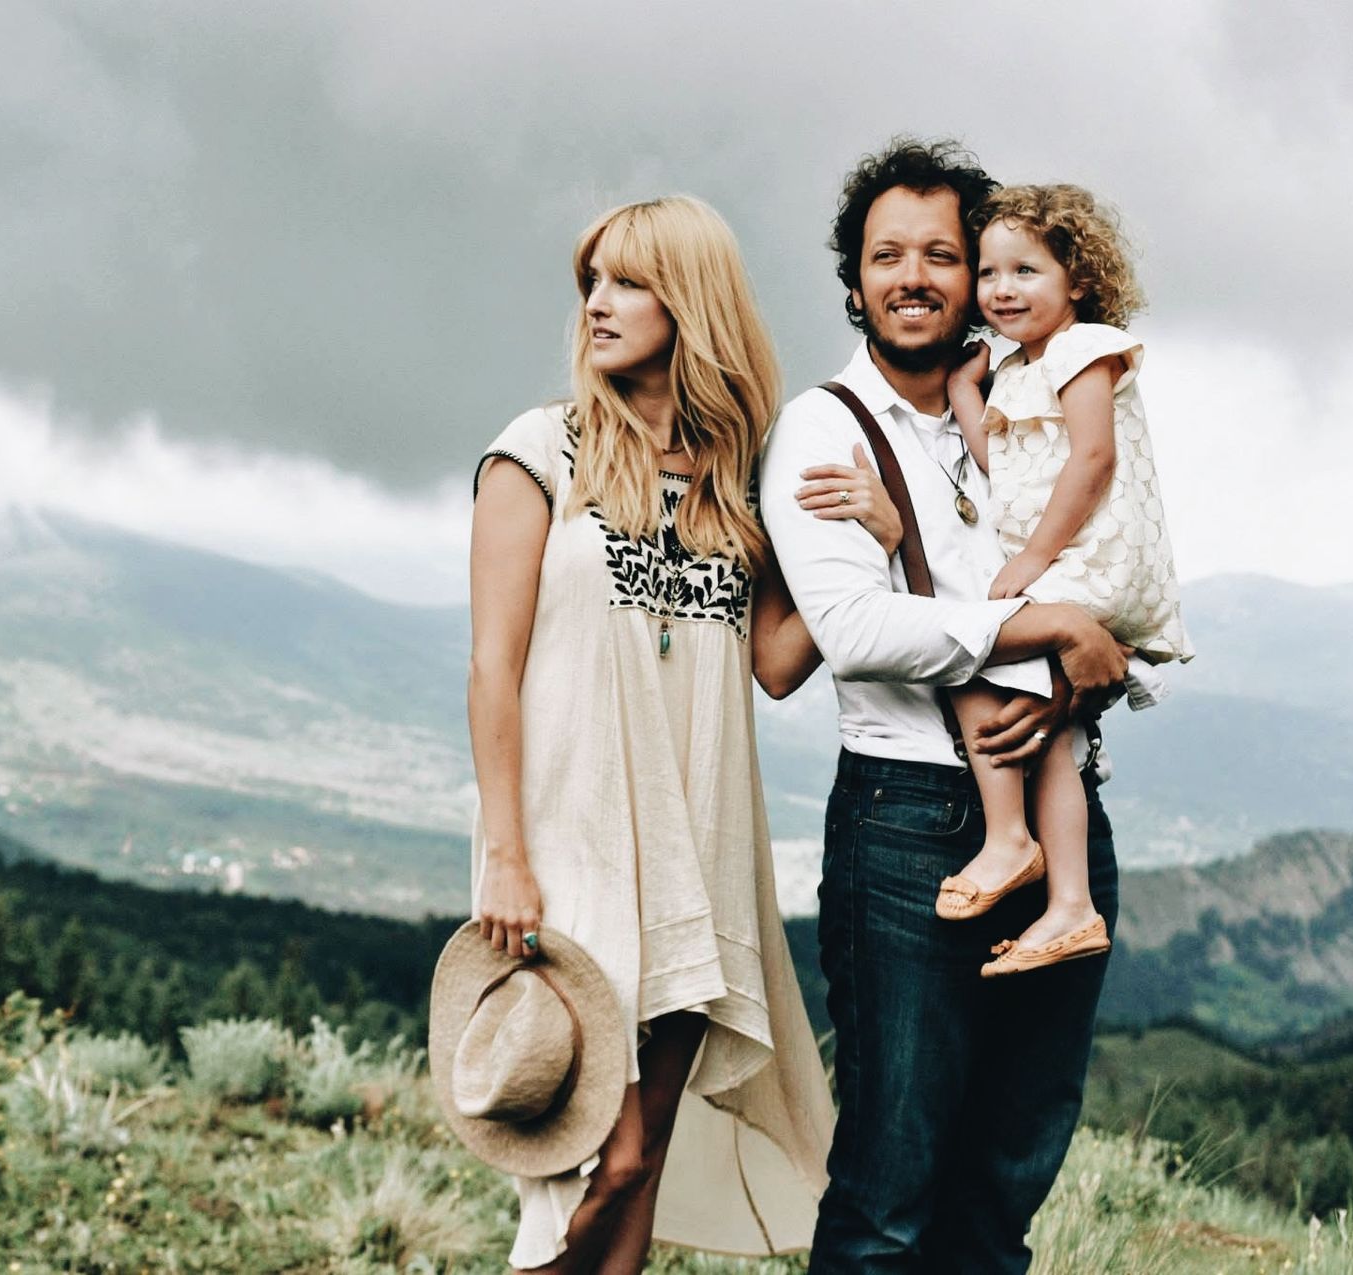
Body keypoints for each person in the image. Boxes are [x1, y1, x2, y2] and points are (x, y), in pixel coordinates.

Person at [467, 194, 893, 1272]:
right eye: (592, 282)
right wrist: (507, 856)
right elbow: (491, 669)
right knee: (592, 1169)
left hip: (697, 858)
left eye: (629, 282)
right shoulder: (539, 453)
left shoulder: (729, 478)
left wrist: (878, 542)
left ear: (689, 301)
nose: (598, 306)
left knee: (641, 1163)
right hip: (570, 859)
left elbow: (777, 664)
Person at [759, 139, 1131, 1271]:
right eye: (886, 255)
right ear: (855, 279)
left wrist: (1079, 654)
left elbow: (1095, 573)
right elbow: (857, 634)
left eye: (941, 254)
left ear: (981, 273)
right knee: (893, 1184)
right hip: (908, 825)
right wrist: (1048, 630)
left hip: (1065, 814)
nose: (912, 276)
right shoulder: (825, 430)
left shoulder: (1024, 405)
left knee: (1009, 1170)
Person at [940, 183, 1194, 976]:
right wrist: (962, 392)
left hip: (1093, 557)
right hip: (1067, 557)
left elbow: (1093, 459)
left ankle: (1012, 840)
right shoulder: (1016, 369)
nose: (1002, 288)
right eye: (989, 273)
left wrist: (1030, 562)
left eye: (1026, 270)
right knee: (1048, 731)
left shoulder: (1086, 347)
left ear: (1077, 278)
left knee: (968, 642)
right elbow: (1006, 471)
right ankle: (1070, 904)